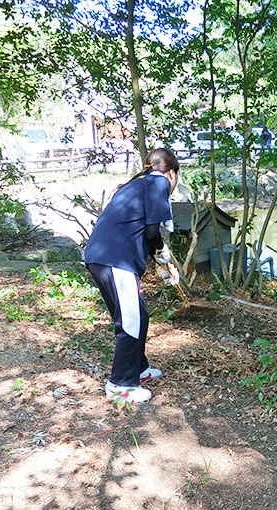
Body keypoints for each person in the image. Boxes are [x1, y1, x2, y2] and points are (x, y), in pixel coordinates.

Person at [84, 148, 181, 404]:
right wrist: (162, 250)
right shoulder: (160, 181)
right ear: (172, 172)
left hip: (103, 257)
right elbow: (151, 232)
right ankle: (120, 384)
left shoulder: (140, 183)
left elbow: (140, 228)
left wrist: (160, 261)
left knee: (139, 315)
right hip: (114, 260)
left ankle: (138, 368)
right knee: (129, 321)